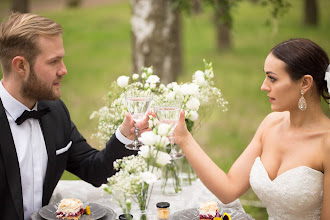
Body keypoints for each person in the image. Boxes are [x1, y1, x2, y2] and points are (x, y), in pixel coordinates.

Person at [0, 12, 149, 220]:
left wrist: (125, 136)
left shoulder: (55, 112)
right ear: (21, 66)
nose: (64, 70)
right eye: (54, 62)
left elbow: (94, 169)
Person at [174, 38, 330, 219]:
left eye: (272, 78)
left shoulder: (326, 143)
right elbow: (228, 189)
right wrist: (183, 138)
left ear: (305, 83)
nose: (264, 86)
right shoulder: (271, 124)